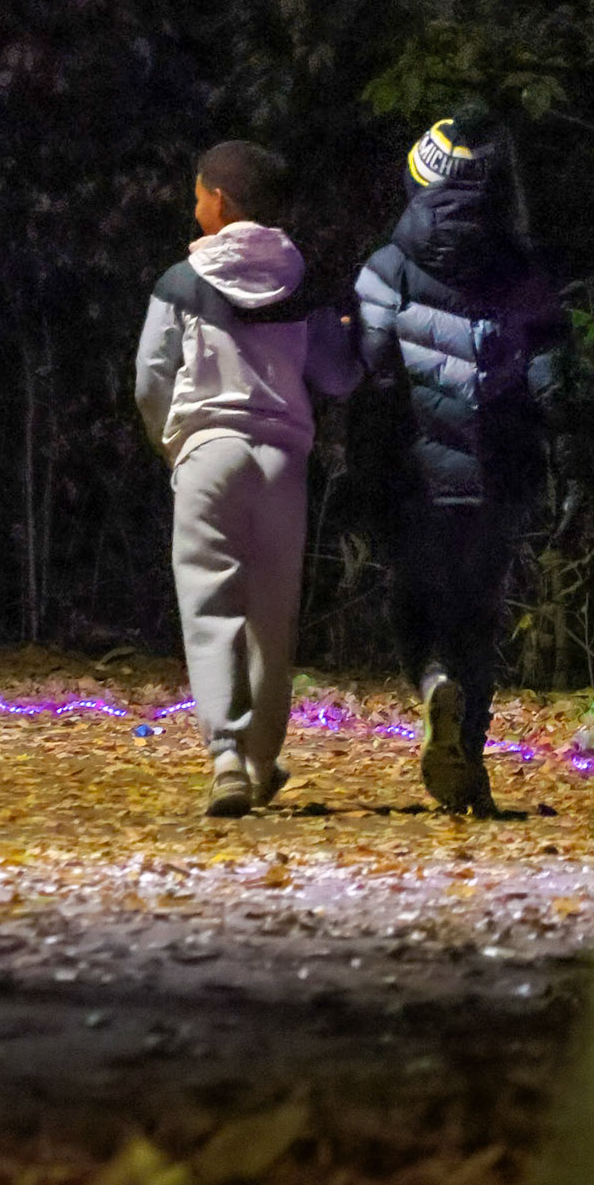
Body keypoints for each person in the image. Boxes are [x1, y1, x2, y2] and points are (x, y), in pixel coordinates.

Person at [354, 101, 567, 816]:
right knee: (478, 615)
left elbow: (368, 374)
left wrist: (363, 464)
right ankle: (468, 765)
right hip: (498, 476)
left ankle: (431, 684)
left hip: (411, 478)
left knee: (414, 604)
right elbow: (552, 381)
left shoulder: (385, 269)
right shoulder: (525, 274)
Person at [135, 141, 360, 815]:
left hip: (209, 452)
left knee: (210, 609)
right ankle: (262, 759)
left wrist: (172, 444)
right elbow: (338, 375)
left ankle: (224, 755)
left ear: (221, 203)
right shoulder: (303, 281)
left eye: (198, 192)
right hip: (282, 459)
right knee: (272, 617)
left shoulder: (183, 280)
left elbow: (151, 374)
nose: (192, 203)